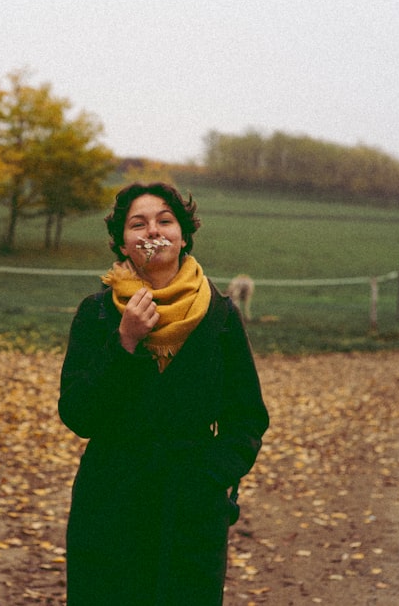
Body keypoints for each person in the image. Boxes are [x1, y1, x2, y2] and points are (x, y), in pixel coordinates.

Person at [59, 182, 269, 605]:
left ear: (184, 235)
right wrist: (125, 342)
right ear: (122, 242)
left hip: (190, 509)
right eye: (138, 224)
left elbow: (247, 417)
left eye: (165, 221)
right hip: (110, 500)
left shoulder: (219, 315)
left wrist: (212, 479)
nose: (152, 231)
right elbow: (78, 413)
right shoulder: (97, 313)